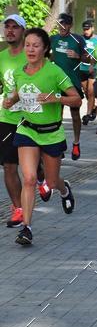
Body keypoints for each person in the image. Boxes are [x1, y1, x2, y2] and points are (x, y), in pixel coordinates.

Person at [3, 28, 80, 246]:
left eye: (35, 45)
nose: (30, 49)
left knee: (52, 181)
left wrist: (55, 98)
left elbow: (76, 99)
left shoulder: (54, 71)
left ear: (45, 48)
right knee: (28, 178)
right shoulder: (19, 72)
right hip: (27, 130)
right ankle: (26, 228)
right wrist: (10, 101)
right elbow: (19, 93)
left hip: (51, 132)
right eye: (27, 45)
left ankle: (64, 189)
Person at [0, 14, 27, 226]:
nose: (10, 30)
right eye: (7, 26)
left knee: (32, 170)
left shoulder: (32, 54)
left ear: (23, 31)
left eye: (14, 27)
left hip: (32, 118)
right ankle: (18, 209)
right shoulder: (1, 57)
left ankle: (44, 178)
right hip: (7, 118)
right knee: (9, 165)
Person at [50, 13, 88, 160]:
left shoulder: (78, 39)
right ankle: (58, 144)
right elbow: (46, 54)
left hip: (72, 83)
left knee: (75, 115)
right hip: (56, 83)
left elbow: (89, 59)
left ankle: (76, 143)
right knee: (56, 116)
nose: (62, 27)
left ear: (70, 25)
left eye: (65, 24)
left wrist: (78, 56)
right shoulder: (53, 39)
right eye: (60, 24)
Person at [80, 20, 97, 126]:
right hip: (82, 68)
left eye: (88, 29)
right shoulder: (80, 39)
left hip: (94, 68)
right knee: (87, 92)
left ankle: (88, 115)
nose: (86, 31)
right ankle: (93, 108)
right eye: (84, 29)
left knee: (91, 92)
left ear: (92, 28)